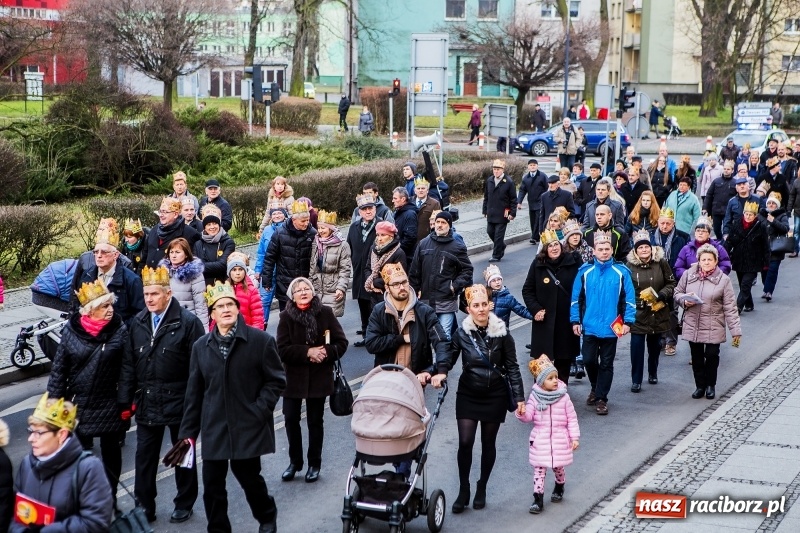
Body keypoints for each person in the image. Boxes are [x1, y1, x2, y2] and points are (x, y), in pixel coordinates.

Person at [178, 281, 286, 533]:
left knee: (250, 479)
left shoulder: (260, 341)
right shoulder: (200, 347)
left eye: (230, 304)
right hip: (215, 426)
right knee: (212, 486)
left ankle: (267, 516)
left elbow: (276, 381)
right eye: (220, 306)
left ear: (237, 309)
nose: (225, 309)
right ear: (212, 314)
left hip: (247, 425)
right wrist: (187, 436)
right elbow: (193, 394)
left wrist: (259, 410)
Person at [118, 265, 204, 523]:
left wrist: (196, 403)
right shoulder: (138, 322)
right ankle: (145, 506)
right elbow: (128, 364)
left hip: (180, 401)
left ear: (168, 294)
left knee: (182, 456)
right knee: (144, 458)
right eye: (146, 295)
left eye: (154, 294)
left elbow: (198, 368)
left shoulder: (188, 323)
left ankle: (184, 502)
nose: (149, 299)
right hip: (147, 400)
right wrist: (125, 400)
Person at [48, 279, 130, 503]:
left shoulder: (120, 330)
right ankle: (86, 497)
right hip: (78, 404)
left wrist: (126, 402)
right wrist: (53, 403)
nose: (110, 310)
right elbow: (59, 370)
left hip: (109, 402)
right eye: (104, 306)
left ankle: (110, 496)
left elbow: (127, 369)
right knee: (80, 454)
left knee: (111, 452)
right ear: (89, 310)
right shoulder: (71, 331)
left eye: (111, 305)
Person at [448, 284, 525, 513]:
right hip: (469, 393)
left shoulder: (502, 332)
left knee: (488, 443)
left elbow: (512, 366)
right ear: (468, 308)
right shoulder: (461, 333)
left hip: (495, 394)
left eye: (484, 304)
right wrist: (437, 372)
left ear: (489, 305)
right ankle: (464, 489)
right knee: (465, 442)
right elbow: (448, 359)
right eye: (475, 305)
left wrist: (519, 397)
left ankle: (482, 486)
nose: (481, 309)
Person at [276, 277, 348, 484]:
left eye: (307, 288)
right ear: (292, 295)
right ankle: (294, 462)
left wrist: (325, 352)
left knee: (315, 422)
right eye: (298, 290)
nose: (303, 291)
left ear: (313, 291)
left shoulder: (325, 312)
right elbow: (281, 350)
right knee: (290, 419)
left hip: (319, 378)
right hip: (293, 379)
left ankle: (314, 464)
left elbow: (341, 343)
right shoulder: (285, 316)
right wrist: (307, 352)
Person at [9, 393, 113, 533]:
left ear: (61, 434)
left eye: (38, 433)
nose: (31, 438)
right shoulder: (26, 464)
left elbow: (96, 522)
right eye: (30, 431)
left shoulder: (88, 468)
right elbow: (17, 513)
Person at [570, 231, 636, 415]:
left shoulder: (621, 272)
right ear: (594, 250)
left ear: (612, 250)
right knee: (589, 360)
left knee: (606, 364)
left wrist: (628, 321)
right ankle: (595, 386)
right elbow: (576, 299)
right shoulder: (584, 271)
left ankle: (601, 398)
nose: (604, 252)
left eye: (607, 249)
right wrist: (575, 320)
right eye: (601, 249)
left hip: (610, 327)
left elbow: (629, 299)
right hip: (589, 326)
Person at [674, 244, 742, 400]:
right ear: (698, 260)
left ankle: (711, 385)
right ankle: (700, 386)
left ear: (716, 261)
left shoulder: (723, 280)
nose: (706, 262)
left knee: (712, 355)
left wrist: (735, 331)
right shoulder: (689, 274)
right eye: (703, 259)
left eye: (709, 259)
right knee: (696, 357)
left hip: (714, 323)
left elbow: (730, 307)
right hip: (694, 322)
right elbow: (677, 293)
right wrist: (684, 302)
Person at [516, 355, 580, 515]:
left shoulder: (563, 397)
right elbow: (528, 416)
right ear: (541, 381)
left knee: (558, 467)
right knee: (539, 469)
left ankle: (560, 485)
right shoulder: (535, 397)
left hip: (559, 438)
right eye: (550, 378)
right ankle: (538, 498)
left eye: (556, 377)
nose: (554, 381)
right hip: (540, 438)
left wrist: (574, 438)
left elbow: (572, 418)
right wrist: (521, 413)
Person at [364, 262, 449, 381]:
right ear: (387, 288)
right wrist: (400, 339)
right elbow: (371, 344)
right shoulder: (379, 311)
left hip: (415, 379)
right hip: (385, 379)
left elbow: (441, 341)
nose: (402, 287)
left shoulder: (424, 312)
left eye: (404, 282)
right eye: (396, 284)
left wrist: (441, 370)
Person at [522, 230, 581, 384]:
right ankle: (540, 394)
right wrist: (535, 309)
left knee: (564, 360)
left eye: (556, 245)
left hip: (565, 320)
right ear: (545, 249)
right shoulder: (538, 264)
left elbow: (582, 289)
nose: (554, 248)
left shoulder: (573, 262)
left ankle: (561, 392)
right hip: (544, 322)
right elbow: (527, 290)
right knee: (542, 361)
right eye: (550, 246)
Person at [625, 230, 675, 391]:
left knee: (654, 347)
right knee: (637, 348)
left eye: (646, 247)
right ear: (635, 250)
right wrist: (639, 301)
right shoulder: (629, 266)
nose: (644, 250)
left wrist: (662, 294)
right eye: (640, 248)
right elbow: (626, 290)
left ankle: (653, 372)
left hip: (657, 311)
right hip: (638, 313)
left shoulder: (661, 262)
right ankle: (636, 379)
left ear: (651, 248)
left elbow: (671, 283)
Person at [410, 211, 473, 338]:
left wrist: (454, 286)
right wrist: (414, 290)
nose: (439, 225)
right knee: (427, 337)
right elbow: (415, 270)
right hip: (426, 300)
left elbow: (467, 270)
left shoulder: (457, 247)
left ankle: (445, 356)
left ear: (449, 225)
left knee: (443, 337)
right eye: (437, 222)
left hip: (446, 300)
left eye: (443, 223)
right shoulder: (423, 244)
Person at [74, 218, 145, 326]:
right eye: (96, 252)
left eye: (104, 252)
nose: (99, 255)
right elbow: (77, 306)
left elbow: (140, 314)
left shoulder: (131, 280)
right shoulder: (87, 275)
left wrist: (119, 328)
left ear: (115, 255)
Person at [261, 200, 317, 312]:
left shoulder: (312, 233)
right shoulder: (279, 233)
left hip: (304, 283)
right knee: (287, 317)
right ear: (294, 220)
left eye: (307, 220)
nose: (306, 223)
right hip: (285, 283)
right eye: (303, 221)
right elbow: (269, 257)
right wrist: (266, 280)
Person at [650, 207, 689, 356]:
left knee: (672, 312)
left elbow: (687, 257)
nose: (664, 226)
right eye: (662, 223)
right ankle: (660, 338)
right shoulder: (652, 237)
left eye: (668, 223)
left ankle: (671, 342)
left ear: (673, 223)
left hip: (675, 279)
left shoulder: (682, 237)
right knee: (657, 309)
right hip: (656, 279)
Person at [347, 193, 382, 347]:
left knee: (376, 305)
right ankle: (366, 333)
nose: (368, 211)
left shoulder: (381, 225)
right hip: (359, 272)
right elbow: (349, 247)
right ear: (359, 212)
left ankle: (378, 334)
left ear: (375, 209)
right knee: (362, 304)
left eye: (371, 208)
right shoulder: (354, 227)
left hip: (375, 273)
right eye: (364, 209)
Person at [724, 201, 770, 313]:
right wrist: (724, 254)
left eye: (751, 215)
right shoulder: (737, 224)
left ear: (755, 216)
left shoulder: (761, 226)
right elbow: (730, 241)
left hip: (754, 261)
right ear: (743, 214)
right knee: (742, 284)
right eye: (746, 214)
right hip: (739, 259)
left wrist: (766, 263)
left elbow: (766, 246)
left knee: (746, 284)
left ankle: (738, 307)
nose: (748, 216)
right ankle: (749, 304)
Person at [309, 210, 352, 317]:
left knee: (330, 323)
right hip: (317, 288)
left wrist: (341, 288)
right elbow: (312, 267)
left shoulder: (342, 245)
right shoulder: (316, 242)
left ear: (331, 228)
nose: (320, 231)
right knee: (317, 322)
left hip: (333, 288)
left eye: (323, 228)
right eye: (319, 228)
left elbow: (345, 269)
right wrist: (309, 285)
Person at [161, 237, 208, 329]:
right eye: (171, 252)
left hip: (189, 321)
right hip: (169, 321)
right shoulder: (163, 273)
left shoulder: (195, 274)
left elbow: (201, 305)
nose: (173, 256)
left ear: (186, 254)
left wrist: (203, 329)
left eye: (177, 252)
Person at [254, 203, 288, 328]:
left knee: (285, 302)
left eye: (279, 213)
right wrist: (258, 270)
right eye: (274, 214)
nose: (277, 215)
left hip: (284, 272)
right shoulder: (267, 231)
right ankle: (262, 327)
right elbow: (261, 252)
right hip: (269, 272)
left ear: (284, 215)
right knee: (264, 301)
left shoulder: (289, 228)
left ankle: (285, 329)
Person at [145, 197, 200, 268]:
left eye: (165, 212)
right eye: (160, 211)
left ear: (176, 214)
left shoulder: (190, 233)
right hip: (149, 277)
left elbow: (192, 262)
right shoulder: (154, 230)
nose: (161, 215)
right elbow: (145, 256)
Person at [674, 215, 732, 280]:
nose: (700, 233)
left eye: (704, 231)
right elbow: (678, 268)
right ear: (695, 233)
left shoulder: (718, 248)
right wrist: (689, 275)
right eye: (698, 231)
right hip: (691, 282)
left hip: (712, 283)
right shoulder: (686, 249)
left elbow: (726, 266)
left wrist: (713, 275)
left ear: (709, 234)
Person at [482, 159, 517, 261]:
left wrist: (512, 213)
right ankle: (501, 245)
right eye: (494, 169)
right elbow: (486, 197)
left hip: (503, 213)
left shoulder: (509, 182)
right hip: (491, 212)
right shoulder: (489, 180)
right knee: (490, 231)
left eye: (498, 169)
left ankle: (496, 255)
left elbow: (513, 199)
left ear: (502, 170)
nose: (496, 171)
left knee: (498, 235)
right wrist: (485, 210)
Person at [193, 204, 236, 287]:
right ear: (204, 227)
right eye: (209, 224)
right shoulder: (198, 244)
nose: (212, 227)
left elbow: (223, 265)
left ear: (219, 225)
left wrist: (201, 266)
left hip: (223, 285)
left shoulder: (228, 242)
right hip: (202, 286)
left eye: (214, 224)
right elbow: (195, 267)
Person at [364, 221, 406, 304]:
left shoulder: (398, 253)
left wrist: (374, 283)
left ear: (391, 236)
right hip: (374, 295)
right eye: (378, 235)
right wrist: (371, 284)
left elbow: (396, 278)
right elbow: (367, 268)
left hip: (391, 297)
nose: (379, 238)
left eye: (383, 235)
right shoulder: (373, 249)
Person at [760, 193, 790, 301]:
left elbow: (785, 228)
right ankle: (766, 287)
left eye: (773, 203)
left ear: (777, 205)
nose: (771, 205)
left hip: (776, 247)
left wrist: (773, 221)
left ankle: (768, 291)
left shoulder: (782, 215)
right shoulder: (761, 214)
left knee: (772, 270)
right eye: (769, 203)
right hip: (763, 248)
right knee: (764, 271)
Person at [226, 252, 264, 330]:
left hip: (247, 334)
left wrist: (255, 337)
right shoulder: (224, 290)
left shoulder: (252, 291)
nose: (237, 273)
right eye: (234, 270)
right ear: (229, 272)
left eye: (240, 269)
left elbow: (258, 318)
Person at [517, 158, 549, 245]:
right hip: (531, 202)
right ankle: (537, 236)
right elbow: (522, 190)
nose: (532, 167)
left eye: (534, 165)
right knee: (533, 220)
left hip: (541, 202)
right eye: (531, 165)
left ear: (537, 166)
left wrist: (546, 199)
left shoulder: (542, 176)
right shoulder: (526, 178)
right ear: (528, 167)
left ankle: (534, 237)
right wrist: (519, 202)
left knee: (538, 219)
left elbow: (547, 188)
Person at [703, 161, 737, 239]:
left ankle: (724, 242)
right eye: (724, 169)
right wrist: (705, 208)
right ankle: (720, 240)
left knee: (726, 229)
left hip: (728, 211)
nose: (726, 170)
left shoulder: (735, 183)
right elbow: (709, 195)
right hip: (716, 210)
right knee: (716, 229)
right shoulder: (716, 181)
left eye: (728, 169)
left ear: (732, 170)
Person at [392, 186, 419, 259]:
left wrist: (396, 251)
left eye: (395, 198)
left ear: (403, 199)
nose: (392, 201)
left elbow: (410, 238)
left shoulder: (410, 214)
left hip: (405, 256)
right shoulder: (398, 212)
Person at [412, 177, 441, 243]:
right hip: (412, 240)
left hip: (427, 239)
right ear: (415, 191)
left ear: (427, 190)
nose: (420, 190)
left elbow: (438, 221)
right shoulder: (410, 202)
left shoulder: (434, 203)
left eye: (423, 188)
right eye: (418, 188)